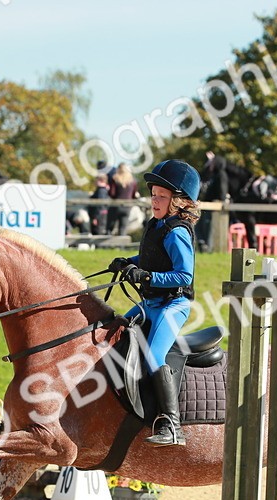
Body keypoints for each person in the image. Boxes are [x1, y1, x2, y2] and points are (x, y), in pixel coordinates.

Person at [108, 159, 200, 447]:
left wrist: (145, 276)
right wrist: (129, 263)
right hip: (151, 302)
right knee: (115, 332)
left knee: (154, 357)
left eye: (161, 196)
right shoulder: (157, 225)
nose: (154, 201)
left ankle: (172, 425)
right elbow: (152, 260)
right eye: (153, 194)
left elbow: (183, 275)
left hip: (174, 305)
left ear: (179, 201)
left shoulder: (177, 231)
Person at [107, 163, 139, 235]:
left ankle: (106, 245)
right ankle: (121, 245)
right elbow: (134, 195)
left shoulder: (115, 178)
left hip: (116, 206)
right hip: (127, 206)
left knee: (110, 227)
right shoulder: (132, 180)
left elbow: (112, 194)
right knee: (123, 228)